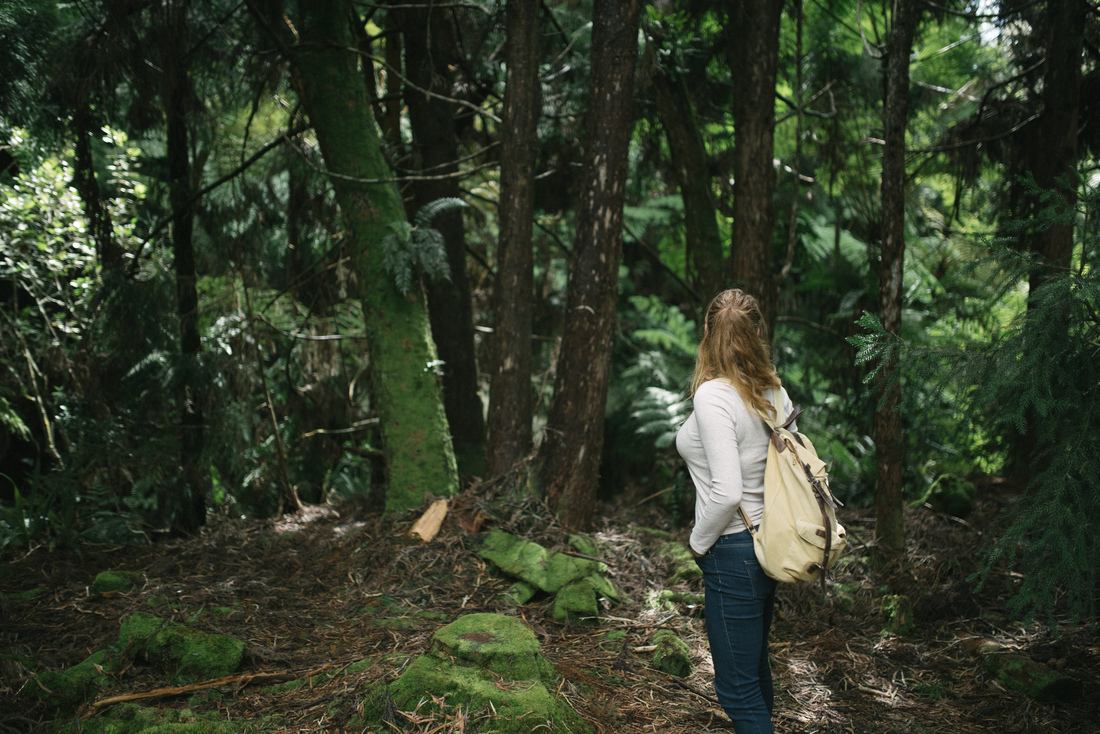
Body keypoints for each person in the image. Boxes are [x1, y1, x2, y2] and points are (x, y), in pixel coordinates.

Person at [674, 288, 796, 734]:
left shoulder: (713, 397)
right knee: (755, 675)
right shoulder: (773, 392)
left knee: (737, 689)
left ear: (706, 332)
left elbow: (725, 493)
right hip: (768, 544)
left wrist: (697, 543)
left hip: (732, 550)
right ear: (758, 332)